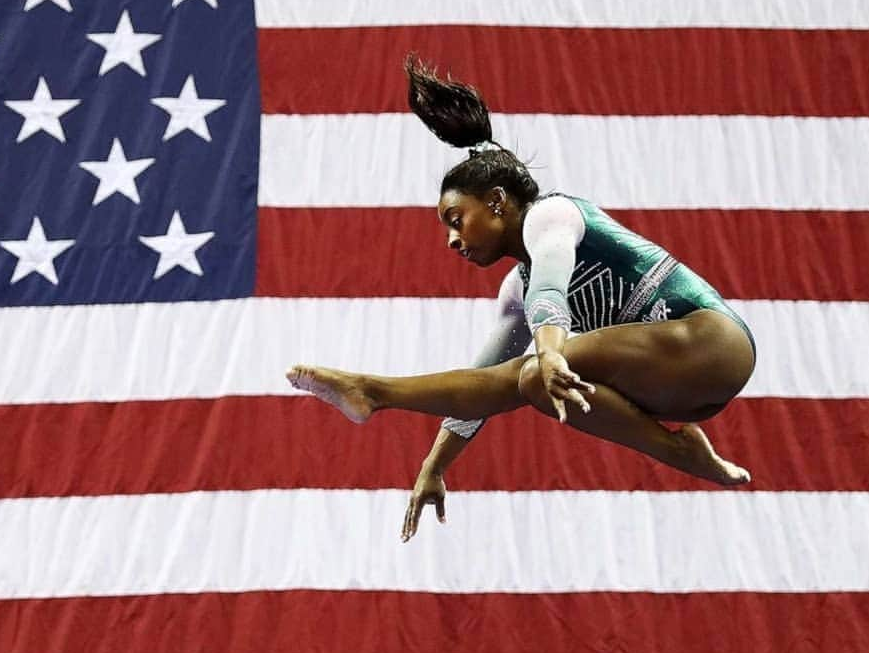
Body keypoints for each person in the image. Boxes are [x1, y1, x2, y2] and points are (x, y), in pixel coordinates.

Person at [288, 55, 757, 542]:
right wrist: (435, 465)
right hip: (684, 394)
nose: (453, 240)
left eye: (456, 219)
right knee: (531, 379)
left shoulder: (551, 215)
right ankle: (681, 452)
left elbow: (553, 280)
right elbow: (482, 380)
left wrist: (551, 349)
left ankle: (374, 391)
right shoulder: (517, 289)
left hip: (712, 344)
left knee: (537, 371)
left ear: (495, 201)